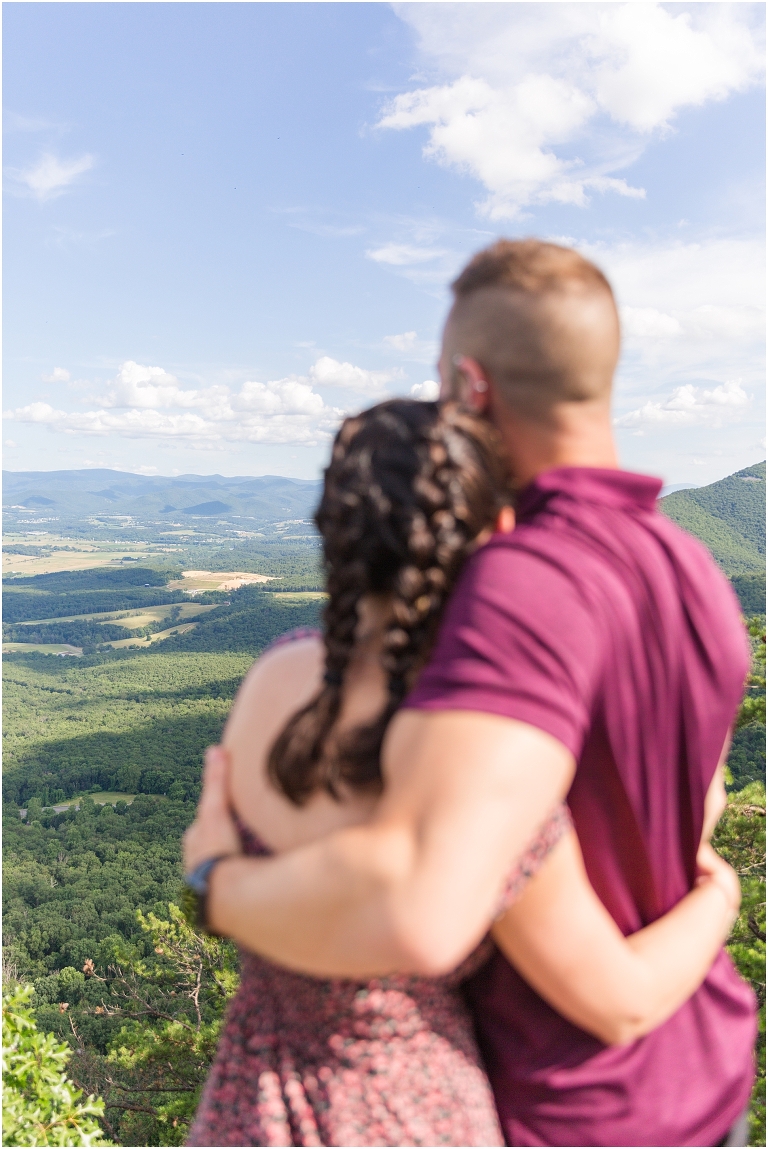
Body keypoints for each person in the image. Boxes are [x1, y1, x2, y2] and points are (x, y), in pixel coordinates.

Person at [184, 241, 757, 1147]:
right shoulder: (697, 569)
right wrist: (712, 898)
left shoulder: (518, 583)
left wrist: (214, 882)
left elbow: (419, 905)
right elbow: (701, 799)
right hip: (704, 1067)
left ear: (469, 383)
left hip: (562, 1098)